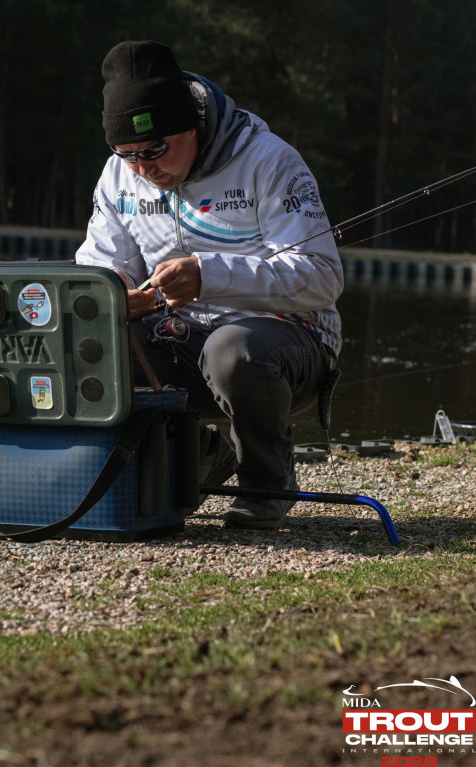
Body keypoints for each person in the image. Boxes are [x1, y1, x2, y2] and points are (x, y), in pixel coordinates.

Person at [75, 40, 343, 530]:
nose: (143, 169)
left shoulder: (269, 160)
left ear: (191, 124)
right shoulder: (119, 177)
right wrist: (113, 294)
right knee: (90, 339)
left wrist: (209, 276)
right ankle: (197, 453)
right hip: (179, 336)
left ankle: (267, 483)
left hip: (286, 341)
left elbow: (322, 278)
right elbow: (102, 264)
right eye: (127, 154)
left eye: (154, 150)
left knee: (231, 350)